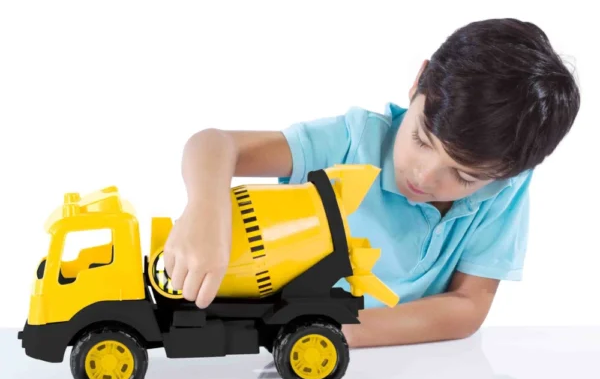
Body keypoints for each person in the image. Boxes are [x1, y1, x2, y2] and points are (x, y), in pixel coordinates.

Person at [163, 18, 580, 348]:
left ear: (507, 173)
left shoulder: (503, 191)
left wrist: (330, 331)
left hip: (379, 370)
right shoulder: (352, 142)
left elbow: (468, 305)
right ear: (418, 82)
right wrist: (206, 210)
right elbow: (214, 144)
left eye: (463, 175)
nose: (425, 176)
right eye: (421, 139)